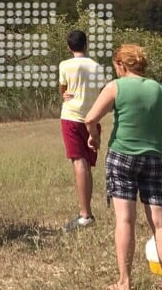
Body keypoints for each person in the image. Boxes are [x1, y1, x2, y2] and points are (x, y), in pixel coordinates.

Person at [85, 44, 162, 290]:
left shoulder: (115, 87)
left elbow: (90, 118)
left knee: (125, 220)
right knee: (161, 224)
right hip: (155, 159)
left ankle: (124, 281)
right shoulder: (161, 91)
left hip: (121, 157)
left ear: (121, 65)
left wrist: (94, 138)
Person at [59, 30, 105, 231]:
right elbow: (103, 92)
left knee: (79, 163)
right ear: (86, 45)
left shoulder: (65, 65)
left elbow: (63, 89)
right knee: (87, 164)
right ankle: (87, 212)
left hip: (71, 117)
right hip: (92, 118)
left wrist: (65, 94)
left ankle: (85, 215)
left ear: (69, 47)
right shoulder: (96, 67)